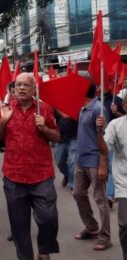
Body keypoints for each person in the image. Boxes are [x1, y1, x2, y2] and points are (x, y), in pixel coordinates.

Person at [0, 73, 60, 260]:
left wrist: (44, 128)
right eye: (18, 85)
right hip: (14, 176)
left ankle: (44, 249)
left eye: (25, 85)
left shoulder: (44, 109)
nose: (21, 88)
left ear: (34, 89)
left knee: (49, 218)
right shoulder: (6, 109)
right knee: (19, 226)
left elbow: (57, 136)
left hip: (42, 174)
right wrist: (4, 121)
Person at [73, 81, 112, 251]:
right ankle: (91, 227)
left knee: (100, 199)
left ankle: (105, 237)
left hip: (95, 161)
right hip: (81, 161)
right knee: (78, 194)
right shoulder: (83, 107)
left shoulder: (98, 108)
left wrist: (103, 164)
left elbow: (106, 139)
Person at [96, 94, 127, 260]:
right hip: (124, 184)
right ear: (125, 105)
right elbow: (104, 149)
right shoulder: (116, 125)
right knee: (125, 225)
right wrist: (100, 131)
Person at [53, 110, 78, 190]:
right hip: (61, 138)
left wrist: (71, 114)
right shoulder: (56, 105)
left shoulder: (77, 104)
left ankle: (72, 185)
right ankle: (67, 175)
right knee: (59, 161)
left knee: (72, 162)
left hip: (74, 137)